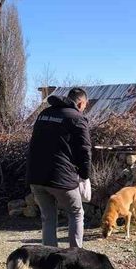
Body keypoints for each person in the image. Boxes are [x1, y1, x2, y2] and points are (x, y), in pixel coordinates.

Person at [27, 87, 91, 248]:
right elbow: (84, 150)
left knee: (48, 218)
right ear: (81, 102)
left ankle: (50, 261)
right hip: (61, 178)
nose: (84, 108)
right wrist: (84, 175)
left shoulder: (44, 114)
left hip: (36, 176)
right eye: (85, 105)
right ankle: (75, 258)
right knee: (76, 213)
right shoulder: (76, 118)